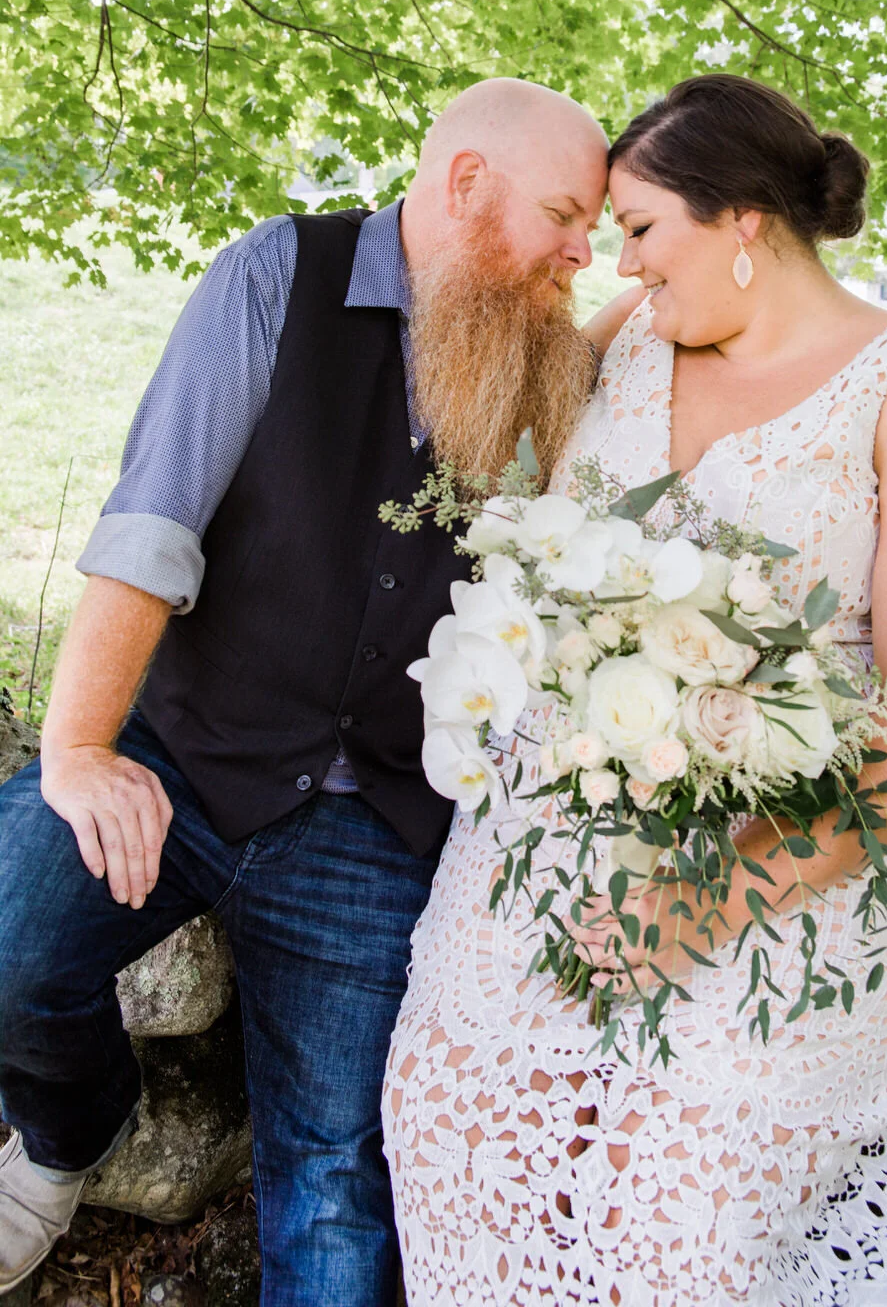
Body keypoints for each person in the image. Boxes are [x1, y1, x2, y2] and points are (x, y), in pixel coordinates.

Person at [383, 74, 887, 1305]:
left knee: (668, 1204)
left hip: (825, 846)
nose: (619, 267)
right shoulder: (631, 343)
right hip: (578, 808)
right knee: (453, 1115)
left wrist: (699, 905)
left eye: (638, 229)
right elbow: (485, 465)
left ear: (742, 218)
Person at [0, 79, 608, 1303]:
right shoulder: (274, 275)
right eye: (564, 214)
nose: (582, 250)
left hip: (377, 823)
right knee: (6, 942)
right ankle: (73, 1137)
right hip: (187, 758)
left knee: (335, 1186)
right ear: (464, 183)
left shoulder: (544, 345)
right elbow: (151, 528)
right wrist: (75, 751)